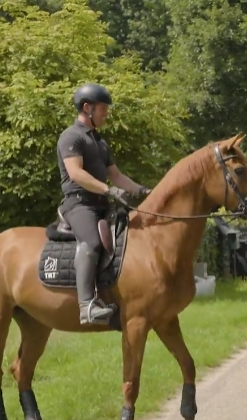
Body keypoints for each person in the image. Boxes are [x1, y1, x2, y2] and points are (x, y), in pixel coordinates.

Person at [56, 83, 150, 325]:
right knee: (92, 242)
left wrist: (141, 190)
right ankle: (86, 305)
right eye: (102, 109)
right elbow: (76, 173)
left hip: (101, 204)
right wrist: (109, 189)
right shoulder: (71, 137)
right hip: (79, 204)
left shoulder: (100, 142)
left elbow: (116, 175)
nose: (106, 113)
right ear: (87, 108)